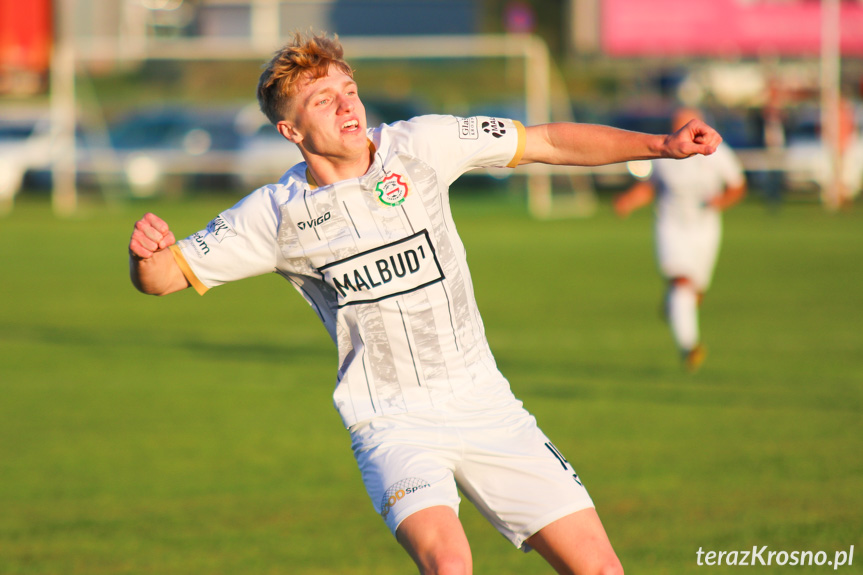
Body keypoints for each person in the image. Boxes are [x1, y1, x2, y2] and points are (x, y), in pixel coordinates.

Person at [129, 32, 722, 575]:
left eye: (349, 90)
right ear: (291, 131)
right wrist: (146, 254)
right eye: (323, 100)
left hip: (486, 404)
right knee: (449, 565)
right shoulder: (274, 214)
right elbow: (163, 277)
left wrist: (661, 145)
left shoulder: (422, 145)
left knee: (601, 569)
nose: (347, 106)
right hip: (392, 422)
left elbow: (543, 141)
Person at [614, 107, 746, 373]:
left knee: (693, 294)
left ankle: (675, 306)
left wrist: (719, 202)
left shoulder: (717, 153)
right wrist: (629, 200)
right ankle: (690, 347)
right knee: (681, 282)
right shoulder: (666, 152)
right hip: (671, 226)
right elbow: (652, 186)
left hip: (705, 228)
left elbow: (737, 185)